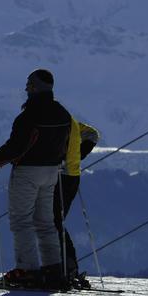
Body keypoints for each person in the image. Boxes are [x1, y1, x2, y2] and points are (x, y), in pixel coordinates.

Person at [0, 69, 73, 289]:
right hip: (51, 171)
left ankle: (27, 270)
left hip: (28, 172)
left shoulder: (29, 115)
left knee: (21, 221)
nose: (25, 88)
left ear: (34, 87)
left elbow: (17, 146)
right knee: (45, 222)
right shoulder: (63, 113)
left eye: (28, 84)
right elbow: (67, 144)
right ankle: (53, 269)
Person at [54, 116, 100, 283]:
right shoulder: (68, 119)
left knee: (52, 221)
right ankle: (66, 268)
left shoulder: (56, 120)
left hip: (59, 176)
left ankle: (64, 268)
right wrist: (77, 155)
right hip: (71, 175)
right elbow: (93, 134)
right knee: (55, 221)